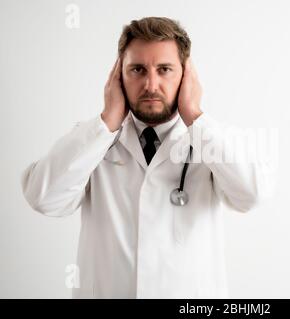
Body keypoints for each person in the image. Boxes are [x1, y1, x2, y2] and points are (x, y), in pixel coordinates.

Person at [21, 17, 269, 298]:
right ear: (118, 76)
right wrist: (106, 123)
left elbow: (251, 195)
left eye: (164, 70)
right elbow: (43, 198)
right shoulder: (92, 140)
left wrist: (196, 118)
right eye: (137, 70)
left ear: (186, 76)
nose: (151, 84)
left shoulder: (211, 140)